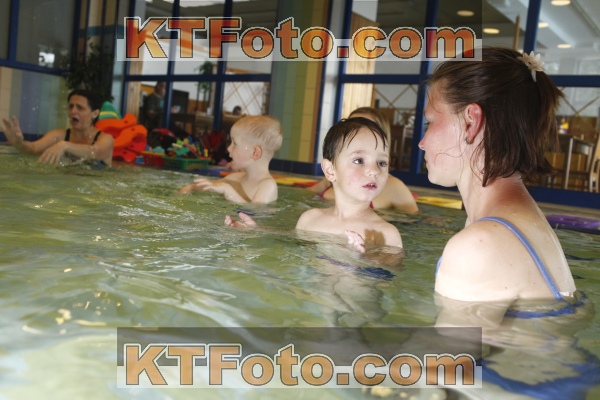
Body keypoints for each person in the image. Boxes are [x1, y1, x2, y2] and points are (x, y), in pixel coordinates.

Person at [421, 47, 576, 305]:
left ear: (471, 122)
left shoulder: (480, 245)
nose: (422, 142)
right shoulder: (512, 222)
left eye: (430, 123)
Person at [226, 117, 403, 254]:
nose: (374, 170)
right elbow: (289, 242)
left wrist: (364, 259)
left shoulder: (385, 233)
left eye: (381, 163)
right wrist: (258, 231)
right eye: (359, 160)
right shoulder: (310, 219)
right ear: (330, 170)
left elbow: (390, 272)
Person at [307, 107, 419, 214]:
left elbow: (414, 221)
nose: (358, 131)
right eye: (351, 125)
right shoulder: (334, 177)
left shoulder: (394, 187)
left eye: (367, 126)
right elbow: (305, 194)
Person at [179, 115, 282, 204]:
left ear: (255, 152)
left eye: (234, 143)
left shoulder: (267, 185)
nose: (228, 148)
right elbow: (212, 186)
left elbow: (255, 213)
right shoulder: (235, 178)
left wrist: (228, 190)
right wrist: (191, 188)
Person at [2, 89, 114, 166]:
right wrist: (19, 144)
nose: (73, 111)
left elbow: (94, 152)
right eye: (70, 106)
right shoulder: (59, 135)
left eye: (80, 108)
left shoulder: (105, 139)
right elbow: (33, 148)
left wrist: (65, 146)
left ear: (95, 113)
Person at [143, 81, 166, 147]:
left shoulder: (163, 99)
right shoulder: (151, 98)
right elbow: (150, 113)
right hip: (152, 127)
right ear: (158, 86)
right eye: (165, 87)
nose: (166, 90)